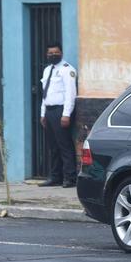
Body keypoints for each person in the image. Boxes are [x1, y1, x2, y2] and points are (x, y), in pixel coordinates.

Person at [39, 42, 78, 188]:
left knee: (65, 145)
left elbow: (70, 93)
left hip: (61, 111)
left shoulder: (67, 70)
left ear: (61, 53)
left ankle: (70, 178)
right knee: (53, 146)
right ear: (46, 54)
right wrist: (43, 113)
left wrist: (66, 114)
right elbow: (45, 94)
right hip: (49, 111)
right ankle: (55, 177)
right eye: (50, 53)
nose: (53, 55)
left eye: (56, 53)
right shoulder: (47, 70)